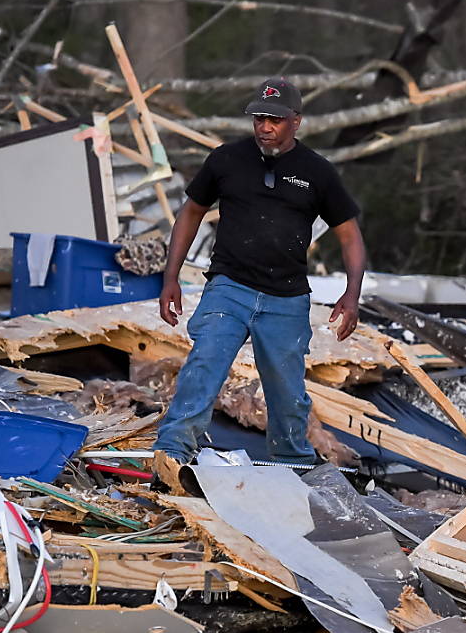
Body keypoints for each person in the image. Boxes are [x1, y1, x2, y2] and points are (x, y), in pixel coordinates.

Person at [151, 77, 366, 488]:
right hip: (229, 286)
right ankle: (172, 456)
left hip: (286, 298)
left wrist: (351, 294)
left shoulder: (317, 172)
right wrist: (171, 277)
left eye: (275, 119)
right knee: (205, 363)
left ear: (296, 121)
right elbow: (191, 212)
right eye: (259, 118)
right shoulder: (226, 160)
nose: (265, 126)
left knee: (287, 394)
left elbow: (349, 234)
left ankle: (293, 466)